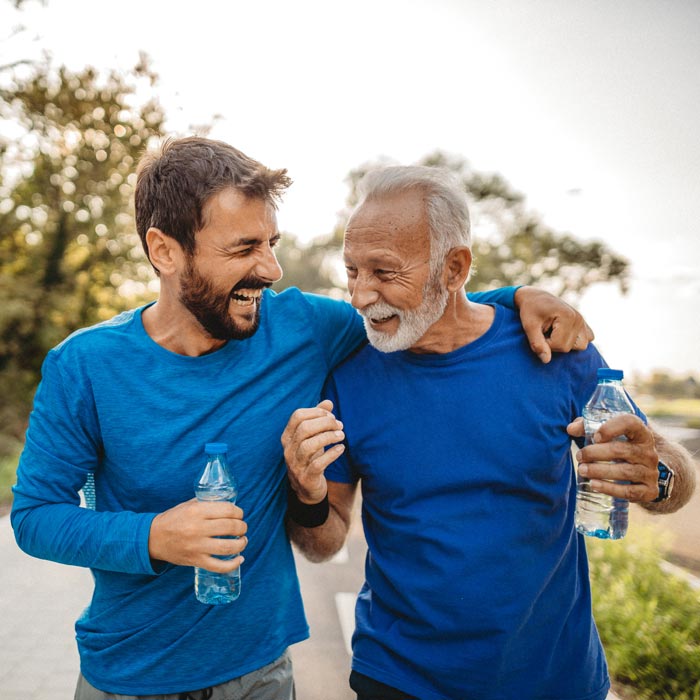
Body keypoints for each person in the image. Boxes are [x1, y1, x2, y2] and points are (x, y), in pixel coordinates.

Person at [11, 136, 592, 700]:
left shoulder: (303, 330)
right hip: (126, 673)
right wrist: (154, 536)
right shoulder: (83, 366)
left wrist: (519, 297)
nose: (271, 268)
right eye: (243, 249)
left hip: (259, 674)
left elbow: (419, 305)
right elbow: (35, 517)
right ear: (164, 251)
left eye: (271, 242)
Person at [282, 165, 697, 700]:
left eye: (384, 273)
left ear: (454, 268)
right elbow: (325, 541)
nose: (361, 295)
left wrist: (658, 479)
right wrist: (307, 494)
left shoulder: (553, 350)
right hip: (399, 679)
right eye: (352, 271)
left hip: (556, 680)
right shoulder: (348, 375)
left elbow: (673, 474)